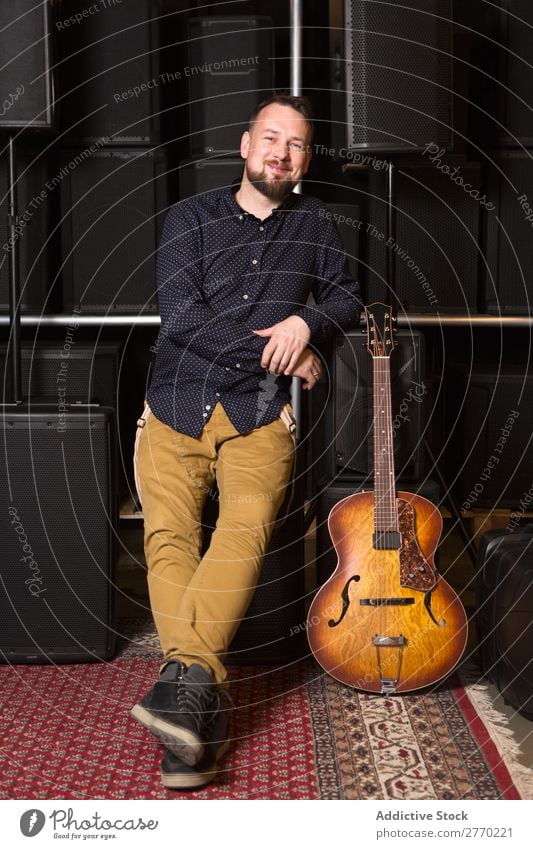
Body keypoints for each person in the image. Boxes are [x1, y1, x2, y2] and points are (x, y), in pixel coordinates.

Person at [131, 93, 362, 790]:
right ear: (243, 144)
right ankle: (196, 702)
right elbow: (181, 319)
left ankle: (184, 689)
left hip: (258, 417)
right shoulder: (190, 218)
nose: (280, 153)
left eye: (295, 145)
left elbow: (346, 295)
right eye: (270, 138)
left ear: (304, 160)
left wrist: (306, 325)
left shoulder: (315, 222)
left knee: (243, 532)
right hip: (172, 404)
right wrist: (285, 355)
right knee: (169, 537)